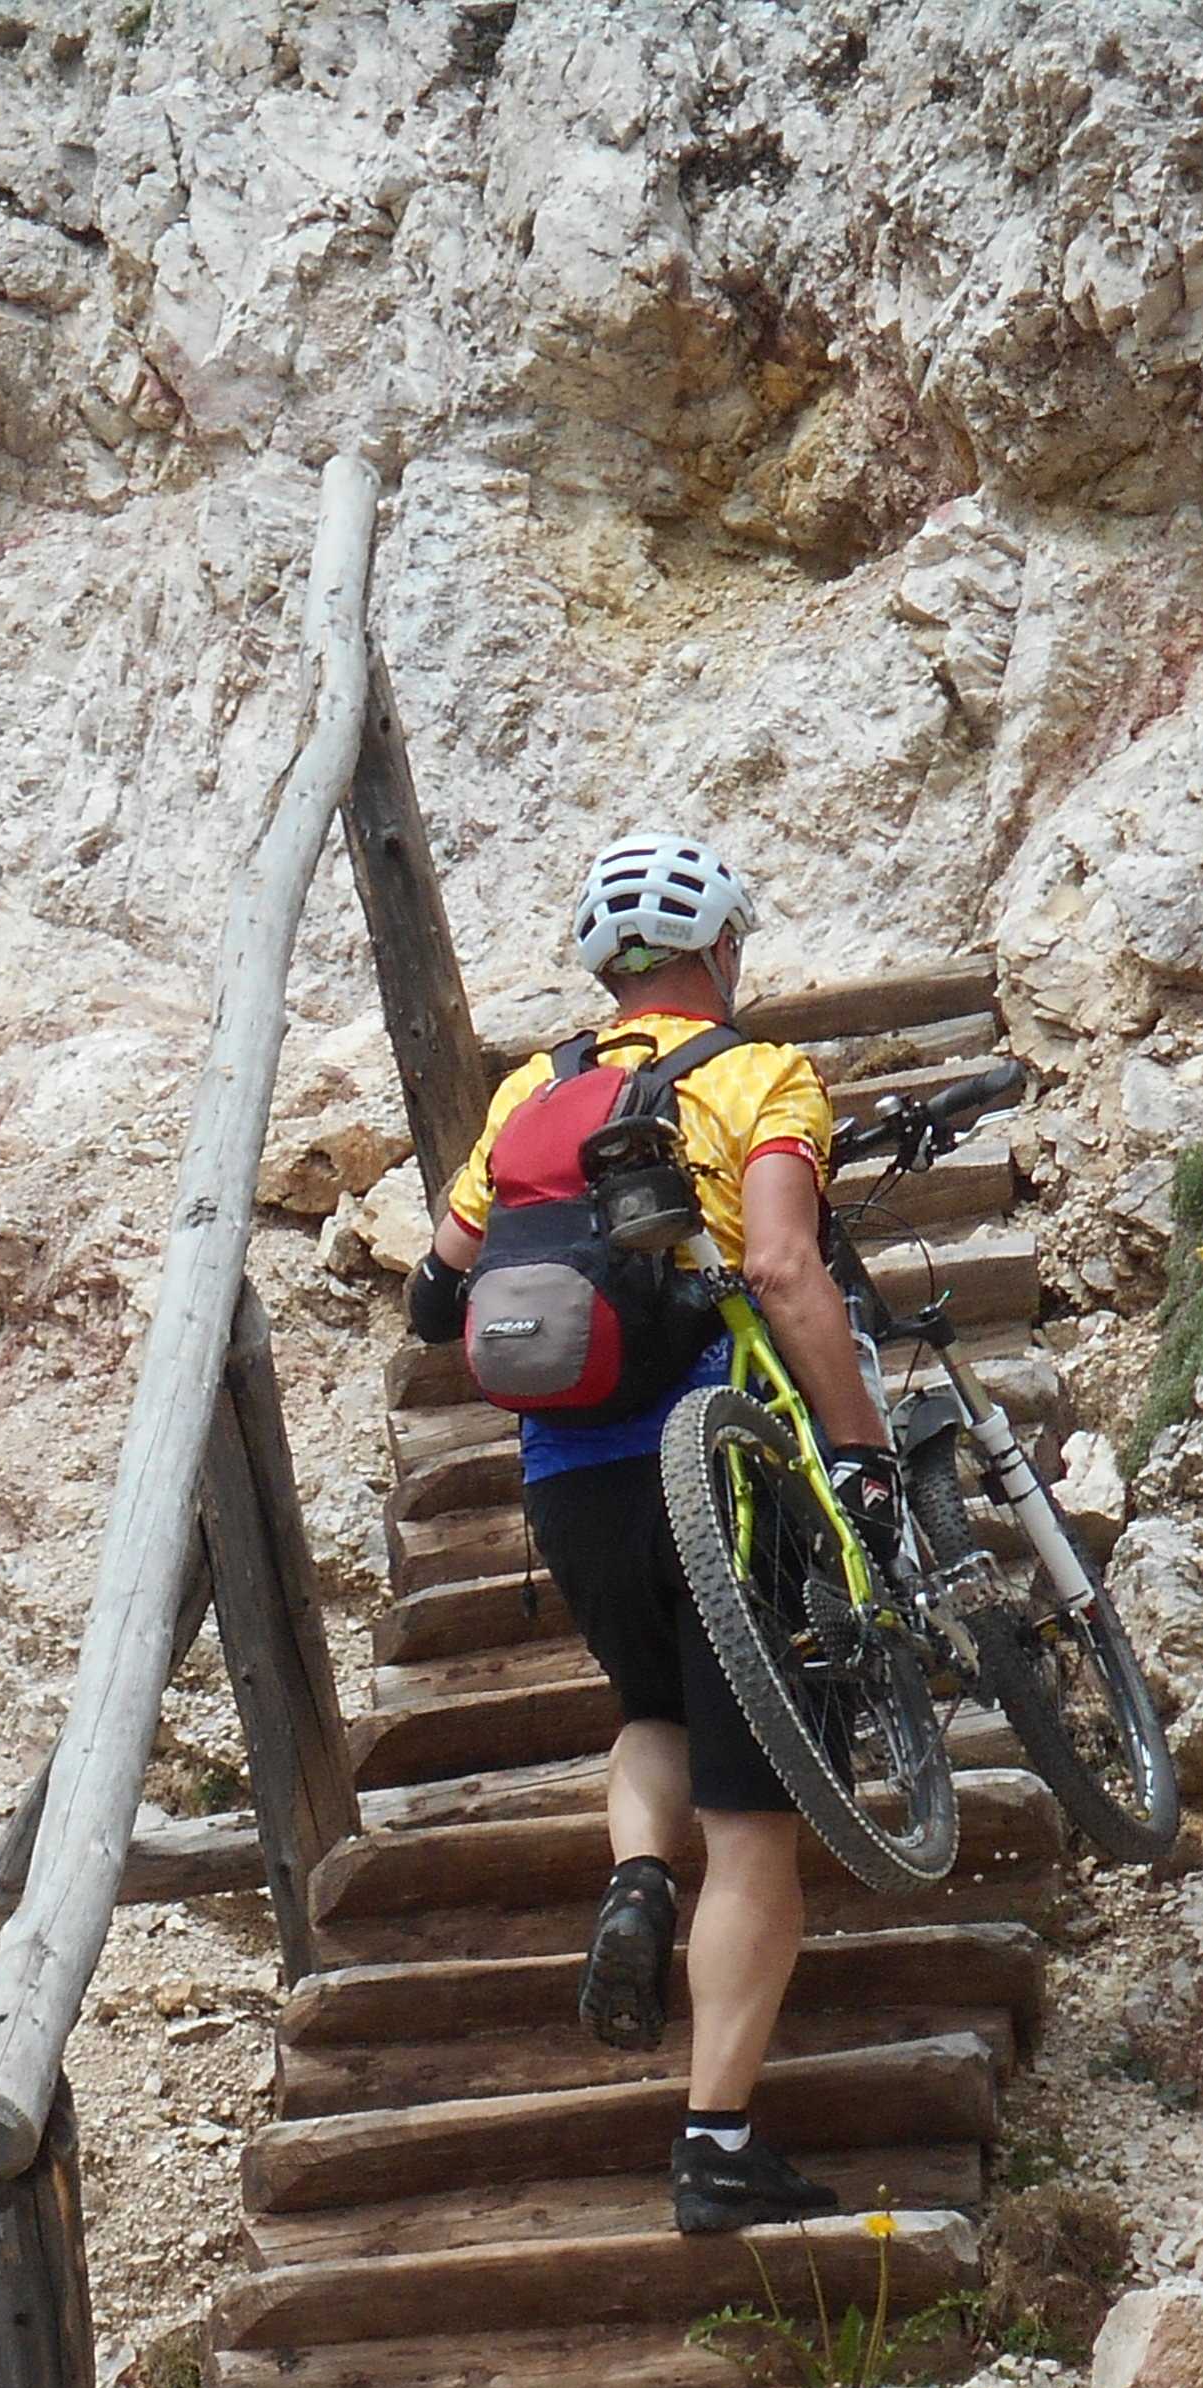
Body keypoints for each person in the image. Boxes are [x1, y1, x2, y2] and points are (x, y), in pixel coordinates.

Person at [405, 831, 903, 2238]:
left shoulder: (526, 1094)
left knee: (649, 1708)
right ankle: (718, 2140)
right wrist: (857, 1450)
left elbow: (438, 1302)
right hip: (722, 1457)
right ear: (726, 950)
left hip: (570, 1476)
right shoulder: (757, 1076)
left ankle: (634, 1878)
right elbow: (785, 1271)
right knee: (753, 1832)